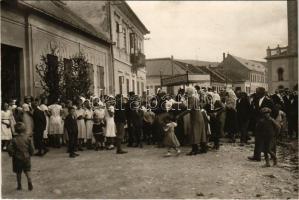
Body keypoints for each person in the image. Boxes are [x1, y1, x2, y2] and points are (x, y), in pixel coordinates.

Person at [248, 87, 278, 162]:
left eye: (257, 92)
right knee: (258, 139)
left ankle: (273, 155)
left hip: (267, 124)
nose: (256, 93)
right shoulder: (255, 100)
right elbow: (254, 111)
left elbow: (275, 112)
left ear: (262, 93)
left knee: (269, 140)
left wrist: (269, 119)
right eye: (256, 92)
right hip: (258, 123)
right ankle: (257, 156)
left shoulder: (269, 101)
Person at [177, 86, 207, 155]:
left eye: (186, 93)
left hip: (195, 117)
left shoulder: (191, 98)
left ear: (189, 93)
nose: (185, 94)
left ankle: (194, 150)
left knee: (194, 133)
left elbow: (189, 109)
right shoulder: (195, 98)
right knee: (201, 133)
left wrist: (180, 115)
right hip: (199, 116)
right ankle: (203, 148)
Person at [7, 122, 34, 191]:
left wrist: (12, 154)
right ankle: (29, 181)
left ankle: (19, 185)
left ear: (16, 130)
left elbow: (9, 148)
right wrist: (31, 153)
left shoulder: (14, 139)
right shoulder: (28, 138)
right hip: (26, 157)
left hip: (17, 158)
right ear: (24, 129)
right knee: (27, 171)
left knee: (18, 172)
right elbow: (31, 148)